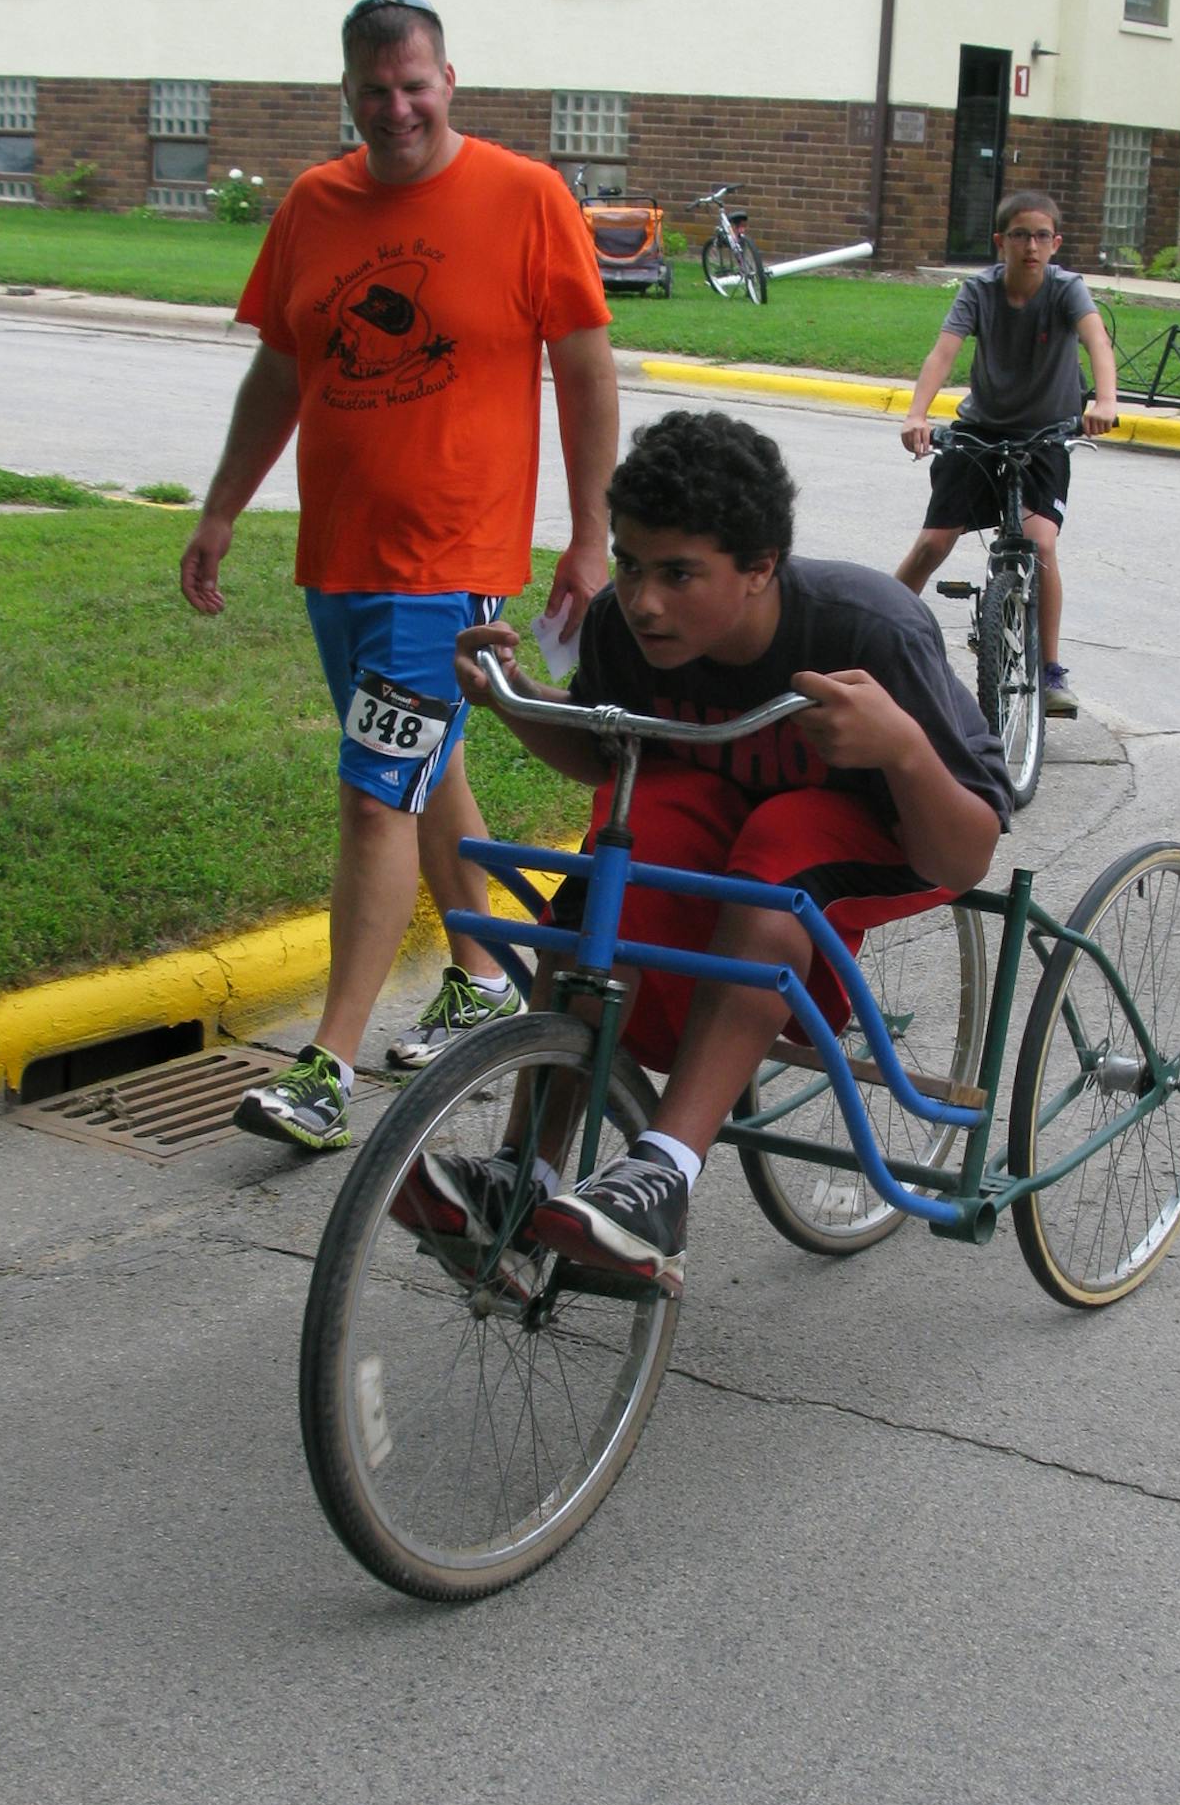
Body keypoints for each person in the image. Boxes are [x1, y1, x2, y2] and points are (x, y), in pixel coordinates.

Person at [399, 409, 1011, 1295]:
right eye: (633, 565)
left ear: (760, 568)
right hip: (733, 810)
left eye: (680, 574)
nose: (645, 599)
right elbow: (612, 751)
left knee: (779, 847)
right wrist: (520, 701)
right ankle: (523, 1169)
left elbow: (968, 855)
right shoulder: (624, 629)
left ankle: (664, 1175)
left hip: (898, 822)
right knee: (619, 849)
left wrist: (903, 749)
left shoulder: (864, 630)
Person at [179, 0, 618, 1151]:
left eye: (414, 84)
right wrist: (223, 506)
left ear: (449, 80)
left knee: (375, 795)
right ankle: (481, 976)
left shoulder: (525, 199)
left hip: (450, 562)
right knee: (423, 766)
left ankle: (324, 1068)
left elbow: (584, 369)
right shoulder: (315, 204)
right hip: (340, 557)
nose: (397, 107)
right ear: (349, 96)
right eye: (374, 90)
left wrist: (589, 534)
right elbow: (280, 370)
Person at [893, 189, 1119, 718]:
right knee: (933, 542)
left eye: (1042, 236)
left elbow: (1097, 342)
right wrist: (916, 414)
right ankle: (877, 629)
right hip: (980, 431)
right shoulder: (979, 291)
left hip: (1046, 436)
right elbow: (943, 352)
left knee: (1040, 543)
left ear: (1055, 243)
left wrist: (1105, 400)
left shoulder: (1067, 290)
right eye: (1020, 235)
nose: (1031, 246)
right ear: (1001, 242)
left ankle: (1050, 670)